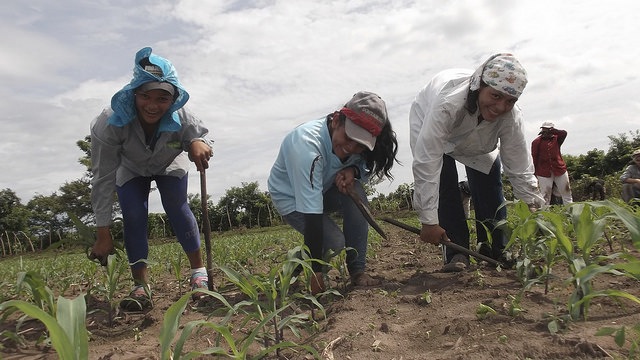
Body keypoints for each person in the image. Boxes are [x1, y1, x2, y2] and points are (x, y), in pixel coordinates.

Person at [88, 47, 214, 311]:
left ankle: (199, 275)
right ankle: (140, 286)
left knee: (176, 206)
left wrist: (198, 143)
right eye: (145, 96)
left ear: (174, 99)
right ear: (133, 94)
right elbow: (102, 177)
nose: (153, 106)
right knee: (133, 215)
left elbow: (201, 136)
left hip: (169, 161)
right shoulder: (110, 123)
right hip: (131, 166)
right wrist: (102, 232)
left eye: (162, 99)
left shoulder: (182, 116)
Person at [409, 53, 545, 272]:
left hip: (479, 140)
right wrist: (429, 221)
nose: (501, 107)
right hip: (432, 124)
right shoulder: (447, 105)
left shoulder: (510, 118)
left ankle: (494, 247)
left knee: (490, 182)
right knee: (444, 184)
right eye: (495, 96)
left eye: (510, 101)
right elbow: (427, 162)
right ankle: (457, 253)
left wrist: (534, 207)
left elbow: (519, 165)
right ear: (479, 85)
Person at [268, 91, 399, 294]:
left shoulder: (353, 146)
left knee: (356, 190)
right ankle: (290, 271)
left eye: (360, 145)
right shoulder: (306, 146)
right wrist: (317, 273)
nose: (350, 148)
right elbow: (312, 216)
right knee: (334, 242)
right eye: (348, 138)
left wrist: (352, 171)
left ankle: (357, 271)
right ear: (337, 119)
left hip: (324, 188)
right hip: (292, 197)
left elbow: (362, 165)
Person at [531, 122, 573, 205]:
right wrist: (534, 172)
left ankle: (570, 213)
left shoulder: (557, 138)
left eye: (548, 129)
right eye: (544, 129)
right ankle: (545, 215)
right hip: (543, 172)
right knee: (545, 196)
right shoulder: (536, 142)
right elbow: (534, 157)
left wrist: (553, 131)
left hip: (559, 169)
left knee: (566, 193)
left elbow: (564, 133)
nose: (545, 131)